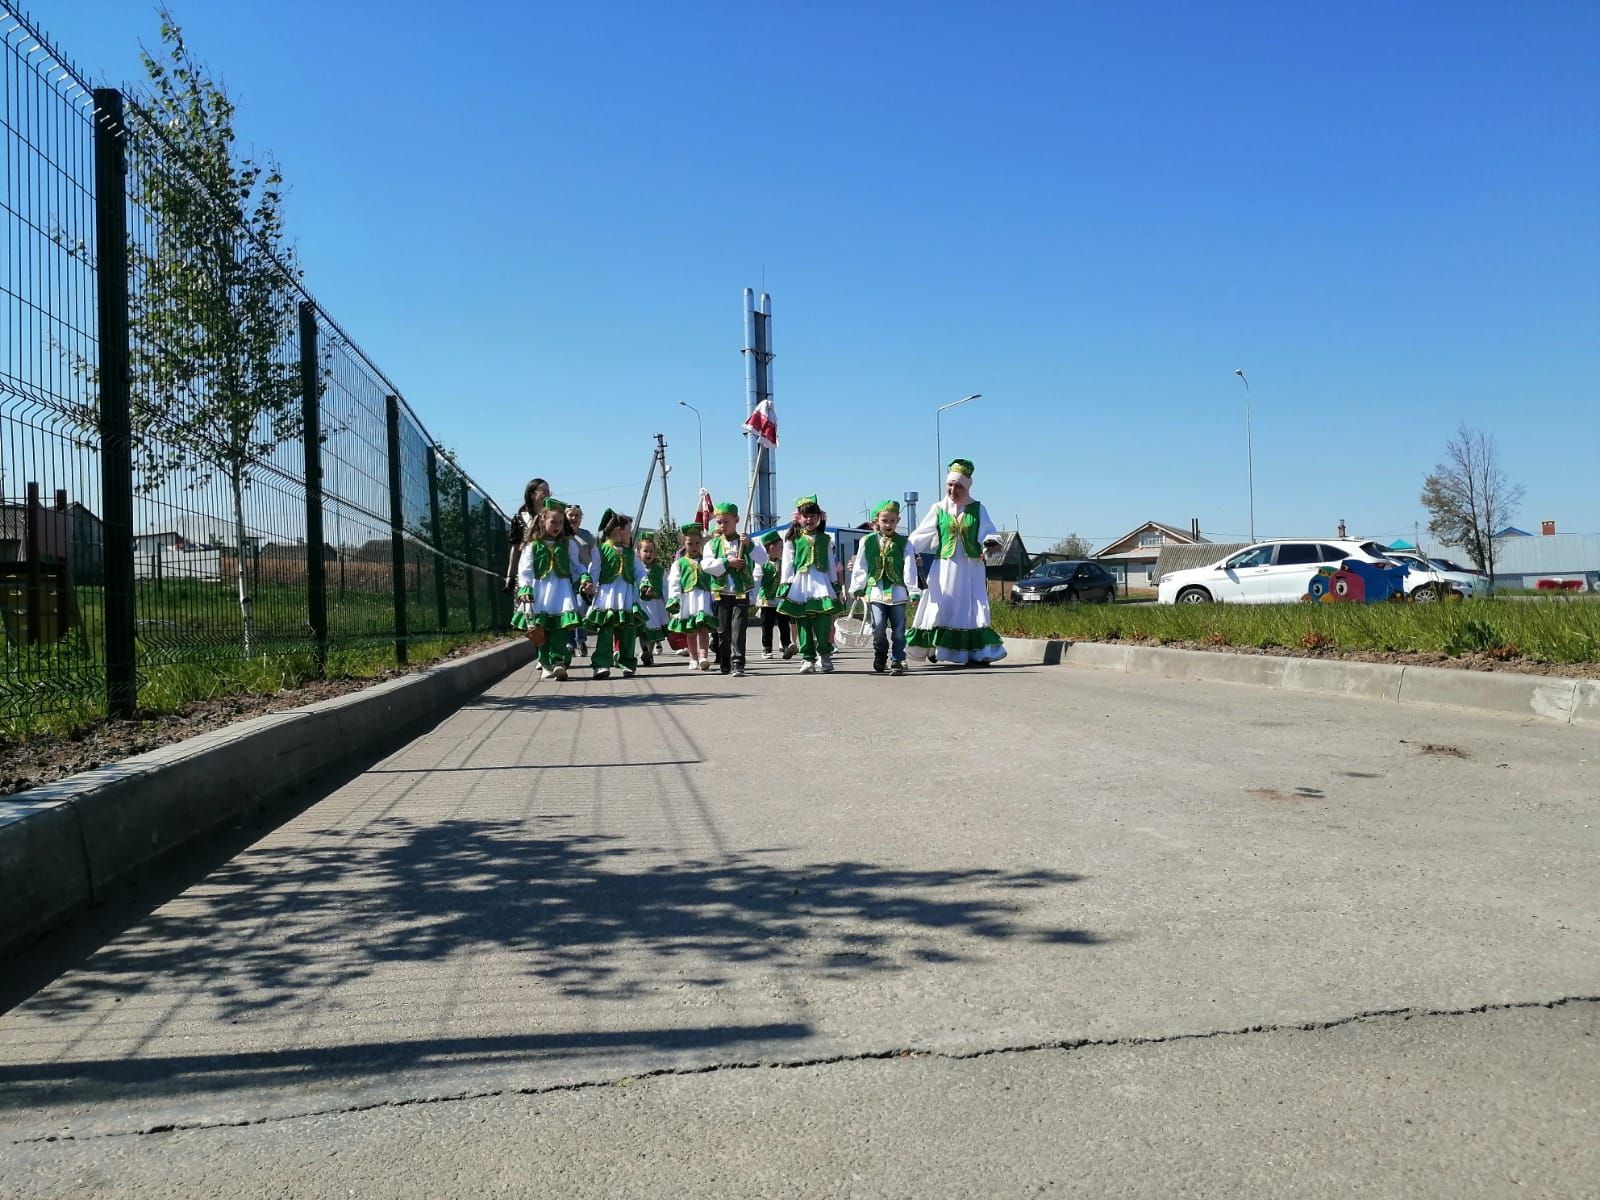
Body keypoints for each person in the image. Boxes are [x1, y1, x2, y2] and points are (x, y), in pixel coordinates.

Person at [907, 458, 1007, 666]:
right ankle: (936, 648)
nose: (953, 489)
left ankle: (976, 653)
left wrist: (988, 544)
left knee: (971, 607)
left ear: (967, 487)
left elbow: (990, 533)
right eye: (950, 485)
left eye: (958, 486)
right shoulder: (938, 509)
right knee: (941, 606)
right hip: (944, 568)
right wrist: (903, 549)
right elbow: (920, 536)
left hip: (971, 568)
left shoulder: (978, 508)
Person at [512, 498, 594, 681]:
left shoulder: (569, 544)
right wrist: (525, 589)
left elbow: (577, 566)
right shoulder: (533, 546)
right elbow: (525, 570)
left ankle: (559, 662)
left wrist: (584, 578)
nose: (557, 526)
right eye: (553, 522)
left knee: (558, 629)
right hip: (540, 592)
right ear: (542, 521)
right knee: (541, 630)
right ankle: (546, 663)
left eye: (560, 522)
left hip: (561, 592)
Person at [849, 499, 919, 675]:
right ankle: (880, 653)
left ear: (898, 521)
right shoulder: (867, 541)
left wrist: (913, 590)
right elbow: (861, 565)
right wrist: (858, 586)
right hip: (876, 592)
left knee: (899, 630)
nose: (888, 524)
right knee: (878, 626)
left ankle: (897, 659)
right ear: (876, 521)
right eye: (884, 520)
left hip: (898, 592)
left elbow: (910, 567)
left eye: (892, 521)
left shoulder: (905, 543)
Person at [777, 495, 843, 674]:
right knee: (803, 623)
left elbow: (830, 563)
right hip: (801, 585)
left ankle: (825, 656)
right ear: (798, 517)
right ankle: (807, 658)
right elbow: (788, 563)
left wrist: (835, 585)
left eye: (813, 516)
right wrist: (786, 584)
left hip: (822, 584)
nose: (809, 520)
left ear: (819, 517)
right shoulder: (793, 539)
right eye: (805, 516)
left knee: (823, 622)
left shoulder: (825, 539)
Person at [702, 502, 767, 677]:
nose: (722, 526)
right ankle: (724, 661)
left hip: (740, 592)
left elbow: (763, 559)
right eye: (719, 522)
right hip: (721, 592)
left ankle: (738, 662)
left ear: (737, 520)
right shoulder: (712, 545)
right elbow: (706, 565)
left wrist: (750, 545)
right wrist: (727, 563)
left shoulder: (746, 541)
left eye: (726, 522)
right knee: (723, 630)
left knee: (739, 629)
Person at [585, 510, 650, 680]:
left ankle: (628, 663)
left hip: (627, 596)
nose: (630, 533)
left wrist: (644, 584)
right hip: (608, 595)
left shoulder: (630, 554)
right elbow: (594, 570)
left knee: (628, 631)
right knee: (606, 631)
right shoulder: (600, 550)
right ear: (618, 531)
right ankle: (601, 664)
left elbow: (639, 571)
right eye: (629, 530)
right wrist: (589, 583)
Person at [666, 522, 716, 671]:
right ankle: (693, 658)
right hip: (688, 600)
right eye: (690, 543)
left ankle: (703, 656)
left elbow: (714, 578)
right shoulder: (679, 563)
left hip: (704, 599)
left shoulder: (707, 562)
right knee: (691, 631)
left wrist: (715, 596)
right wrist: (673, 599)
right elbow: (674, 582)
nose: (694, 546)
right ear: (683, 544)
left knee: (703, 630)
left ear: (701, 543)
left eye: (696, 543)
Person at [504, 478, 550, 593]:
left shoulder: (554, 518)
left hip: (550, 573)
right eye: (544, 492)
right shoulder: (520, 518)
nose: (548, 495)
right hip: (527, 572)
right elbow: (515, 549)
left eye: (549, 492)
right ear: (532, 495)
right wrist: (511, 576)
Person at [754, 530, 795, 660]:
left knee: (784, 624)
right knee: (767, 625)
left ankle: (786, 645)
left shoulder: (783, 563)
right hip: (766, 600)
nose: (782, 550)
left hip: (780, 600)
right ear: (771, 548)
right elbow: (757, 579)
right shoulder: (761, 563)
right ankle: (767, 648)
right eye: (780, 547)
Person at [565, 504, 596, 659]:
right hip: (566, 576)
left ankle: (581, 640)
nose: (573, 518)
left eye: (577, 515)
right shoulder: (562, 535)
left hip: (583, 577)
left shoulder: (587, 536)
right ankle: (570, 643)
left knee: (581, 608)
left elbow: (594, 555)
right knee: (569, 609)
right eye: (571, 515)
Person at [636, 534, 669, 667]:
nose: (648, 553)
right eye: (645, 550)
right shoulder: (636, 570)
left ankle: (648, 652)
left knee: (654, 631)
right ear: (638, 553)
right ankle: (645, 650)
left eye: (651, 551)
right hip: (641, 604)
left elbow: (666, 587)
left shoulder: (660, 570)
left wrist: (669, 604)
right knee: (644, 631)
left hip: (656, 605)